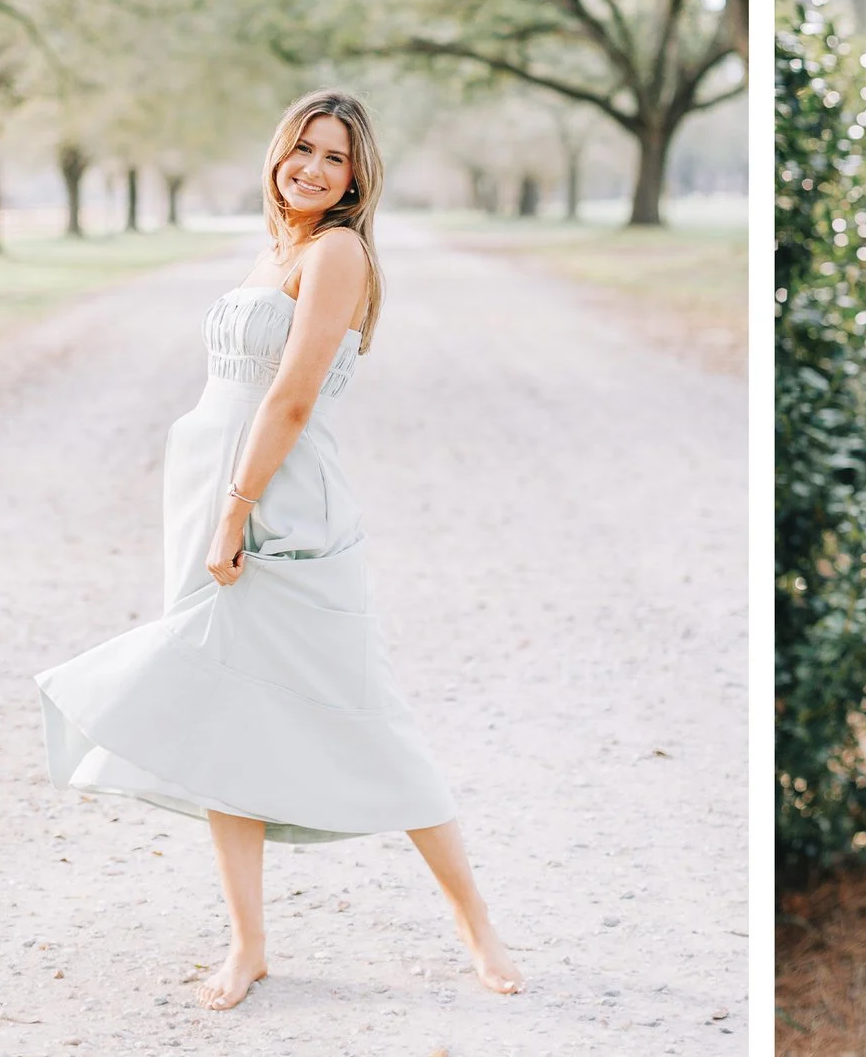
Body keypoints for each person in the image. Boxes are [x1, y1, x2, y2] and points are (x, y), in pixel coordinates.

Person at [37, 87, 523, 1010]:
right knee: (224, 710)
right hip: (209, 493)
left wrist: (237, 509)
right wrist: (210, 502)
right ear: (278, 152)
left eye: (335, 157)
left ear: (357, 178)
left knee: (367, 710)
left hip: (280, 507)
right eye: (304, 147)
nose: (313, 167)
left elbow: (292, 397)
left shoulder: (338, 251)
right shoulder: (277, 247)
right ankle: (249, 942)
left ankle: (476, 923)